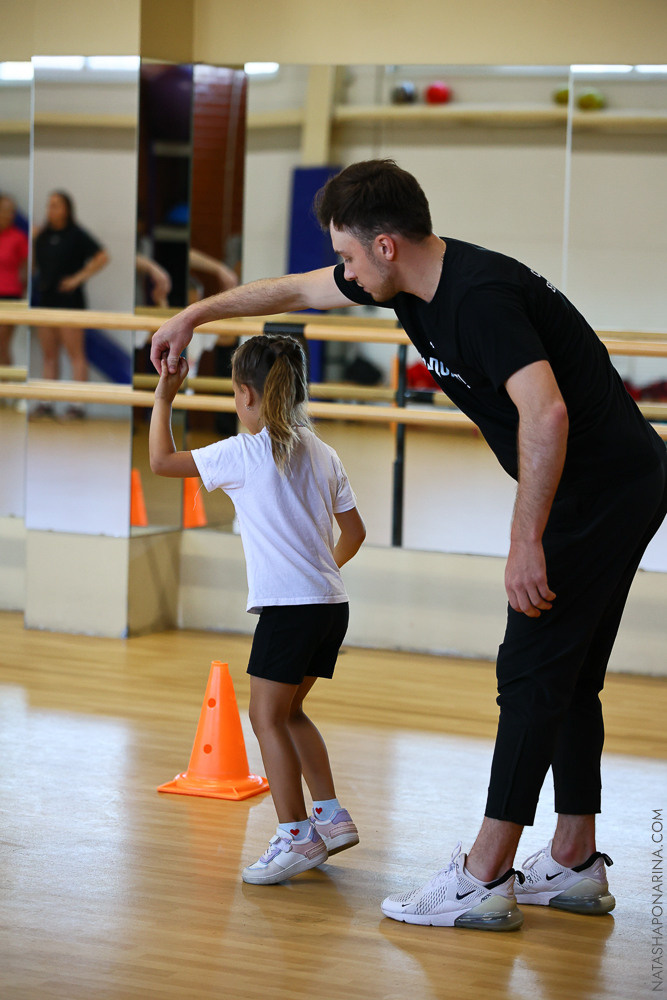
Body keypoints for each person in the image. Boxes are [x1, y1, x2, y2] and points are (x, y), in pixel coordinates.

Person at [150, 159, 667, 926]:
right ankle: (571, 859)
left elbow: (546, 415)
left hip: (596, 495)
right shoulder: (406, 278)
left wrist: (526, 540)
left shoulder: (480, 298)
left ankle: (483, 877)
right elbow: (293, 291)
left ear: (385, 244)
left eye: (351, 256)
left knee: (527, 671)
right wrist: (196, 316)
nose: (344, 272)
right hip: (619, 485)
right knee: (567, 675)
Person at [149, 333, 366, 885]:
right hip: (329, 606)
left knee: (264, 717)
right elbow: (355, 532)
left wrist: (164, 397)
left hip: (290, 611)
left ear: (246, 393)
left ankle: (295, 836)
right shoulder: (324, 451)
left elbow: (160, 461)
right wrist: (323, 576)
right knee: (290, 712)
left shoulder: (242, 453)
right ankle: (331, 816)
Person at [32, 191, 109, 417]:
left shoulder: (77, 234)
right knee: (49, 354)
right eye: (49, 205)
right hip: (46, 300)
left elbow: (102, 257)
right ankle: (47, 403)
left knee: (75, 354)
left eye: (56, 205)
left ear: (67, 209)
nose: (51, 209)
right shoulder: (42, 235)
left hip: (70, 302)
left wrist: (77, 279)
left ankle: (78, 405)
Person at [0, 195, 29, 366]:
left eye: (11, 212)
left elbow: (28, 268)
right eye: (4, 210)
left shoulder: (18, 237)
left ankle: (4, 389)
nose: (7, 215)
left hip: (9, 295)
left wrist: (22, 287)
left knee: (2, 344)